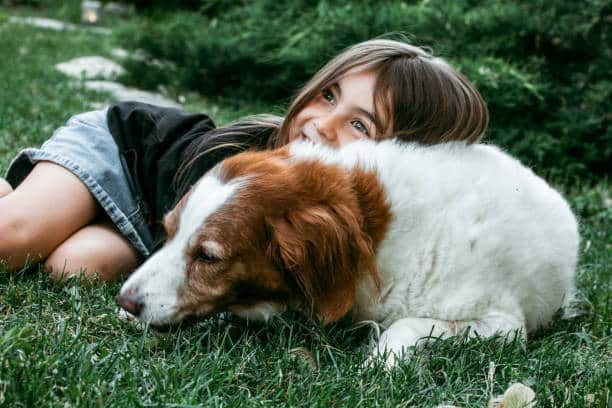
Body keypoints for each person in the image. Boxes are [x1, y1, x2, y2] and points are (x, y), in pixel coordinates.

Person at [0, 39, 488, 283]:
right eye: (328, 95)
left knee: (72, 267)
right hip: (123, 153)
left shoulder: (342, 225)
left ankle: (19, 197)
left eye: (359, 125)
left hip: (143, 229)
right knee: (10, 240)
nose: (322, 123)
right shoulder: (245, 162)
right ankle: (28, 203)